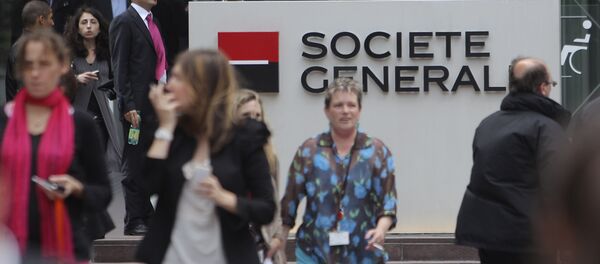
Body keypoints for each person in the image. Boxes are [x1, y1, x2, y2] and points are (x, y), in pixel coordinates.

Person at [136, 49, 276, 264]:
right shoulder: (171, 131)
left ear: (202, 86)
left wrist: (224, 198)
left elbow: (266, 210)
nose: (169, 85)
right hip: (172, 257)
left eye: (178, 78)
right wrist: (165, 128)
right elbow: (146, 186)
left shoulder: (244, 137)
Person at [1, 29, 112, 262]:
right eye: (28, 64)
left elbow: (103, 193)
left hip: (65, 247)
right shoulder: (5, 120)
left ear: (62, 66)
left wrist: (77, 187)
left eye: (44, 64)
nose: (35, 73)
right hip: (9, 248)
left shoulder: (80, 124)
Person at [455, 57, 571, 264]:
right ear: (542, 88)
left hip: (488, 235)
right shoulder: (546, 129)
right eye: (551, 84)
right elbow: (559, 186)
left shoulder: (488, 124)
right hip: (530, 238)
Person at [280, 78, 398, 263]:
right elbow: (290, 202)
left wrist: (381, 230)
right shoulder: (309, 150)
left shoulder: (377, 151)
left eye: (351, 105)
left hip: (363, 252)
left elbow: (388, 203)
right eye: (338, 105)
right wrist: (280, 242)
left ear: (360, 110)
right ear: (327, 111)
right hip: (314, 250)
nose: (345, 111)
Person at [109, 0, 168, 235]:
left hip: (154, 106)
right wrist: (127, 104)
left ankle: (146, 213)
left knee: (149, 161)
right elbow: (119, 67)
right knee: (133, 161)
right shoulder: (124, 22)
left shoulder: (154, 22)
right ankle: (134, 219)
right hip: (135, 110)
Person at [64, 6, 117, 241]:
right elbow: (60, 85)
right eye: (84, 22)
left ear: (99, 26)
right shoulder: (69, 54)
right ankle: (90, 218)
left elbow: (119, 81)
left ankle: (104, 214)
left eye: (92, 22)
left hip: (108, 115)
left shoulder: (109, 51)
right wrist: (76, 79)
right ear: (77, 27)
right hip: (80, 116)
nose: (88, 26)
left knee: (108, 164)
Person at [234, 89, 286, 264]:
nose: (253, 120)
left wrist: (278, 237)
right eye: (246, 115)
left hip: (263, 246)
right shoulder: (221, 157)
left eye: (257, 116)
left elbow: (275, 203)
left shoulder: (270, 157)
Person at [6, 0, 54, 103]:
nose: (53, 23)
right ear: (41, 20)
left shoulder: (25, 46)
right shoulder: (25, 49)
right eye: (50, 18)